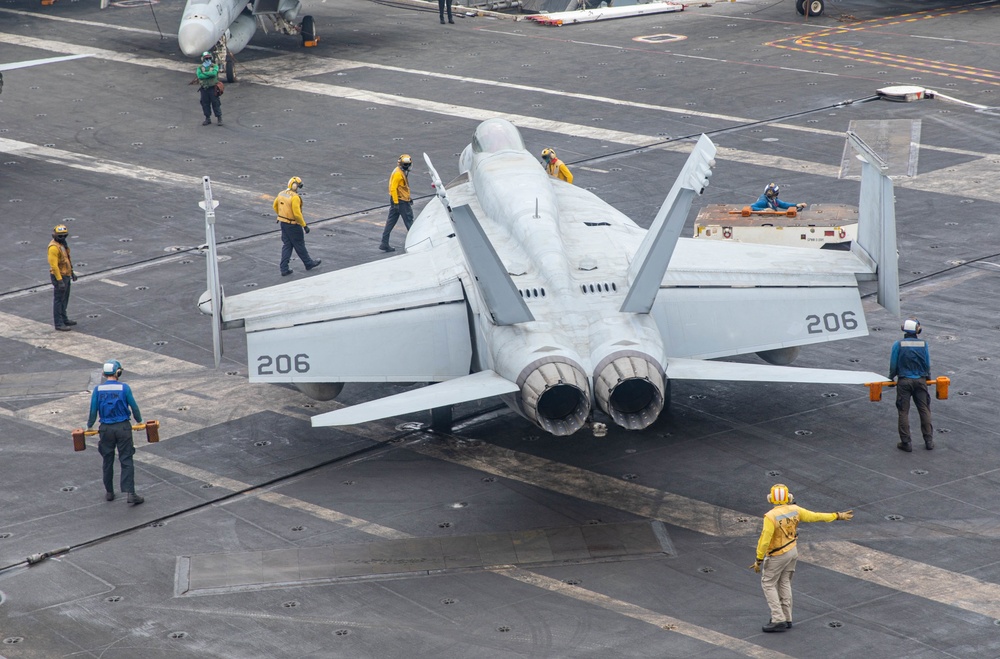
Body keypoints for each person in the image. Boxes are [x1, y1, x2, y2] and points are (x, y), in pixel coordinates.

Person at [751, 484, 852, 632]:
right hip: (792, 551)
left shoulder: (770, 517)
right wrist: (837, 515)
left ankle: (778, 619)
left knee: (768, 583)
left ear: (771, 498)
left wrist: (759, 559)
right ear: (789, 497)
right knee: (784, 582)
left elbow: (764, 540)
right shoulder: (795, 510)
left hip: (777, 555)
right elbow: (816, 516)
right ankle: (787, 618)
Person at [87, 360, 144, 505]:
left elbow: (93, 411)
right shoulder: (124, 388)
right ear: (118, 372)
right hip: (123, 427)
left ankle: (109, 492)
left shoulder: (98, 390)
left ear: (104, 374)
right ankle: (130, 493)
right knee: (126, 459)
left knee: (107, 460)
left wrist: (89, 426)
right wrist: (139, 421)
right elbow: (134, 407)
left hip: (106, 428)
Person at [890, 317, 933, 451]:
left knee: (903, 411)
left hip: (904, 381)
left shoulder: (898, 344)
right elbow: (927, 363)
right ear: (917, 330)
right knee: (924, 409)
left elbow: (893, 364)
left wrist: (891, 377)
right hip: (920, 380)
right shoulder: (923, 344)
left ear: (904, 330)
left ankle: (906, 443)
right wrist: (928, 378)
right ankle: (929, 441)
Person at [274, 176, 321, 276]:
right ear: (294, 186)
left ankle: (284, 268)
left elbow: (275, 205)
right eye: (298, 186)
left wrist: (282, 215)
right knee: (299, 244)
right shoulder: (295, 197)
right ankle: (308, 263)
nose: (298, 188)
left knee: (287, 245)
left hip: (283, 224)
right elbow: (297, 214)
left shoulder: (281, 193)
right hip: (293, 225)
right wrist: (304, 225)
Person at [379, 154, 413, 253]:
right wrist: (397, 203)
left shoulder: (399, 171)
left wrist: (408, 198)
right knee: (409, 221)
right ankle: (415, 242)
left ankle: (384, 243)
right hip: (400, 202)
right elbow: (393, 188)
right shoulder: (399, 174)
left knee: (391, 222)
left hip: (398, 200)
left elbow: (401, 188)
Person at [47, 223, 76, 332]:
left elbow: (67, 259)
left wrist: (71, 272)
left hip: (66, 275)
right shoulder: (53, 248)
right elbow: (54, 266)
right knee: (59, 299)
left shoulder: (63, 245)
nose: (63, 238)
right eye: (60, 236)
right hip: (59, 276)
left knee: (65, 298)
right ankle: (58, 323)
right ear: (54, 235)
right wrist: (59, 281)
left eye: (64, 235)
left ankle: (64, 318)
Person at [197, 51, 222, 126]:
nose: (207, 59)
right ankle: (207, 118)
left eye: (209, 58)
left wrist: (204, 73)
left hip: (213, 88)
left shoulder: (215, 66)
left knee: (216, 103)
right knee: (205, 104)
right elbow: (200, 76)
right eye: (206, 58)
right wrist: (209, 75)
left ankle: (219, 118)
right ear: (203, 59)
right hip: (204, 88)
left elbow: (214, 74)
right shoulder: (199, 67)